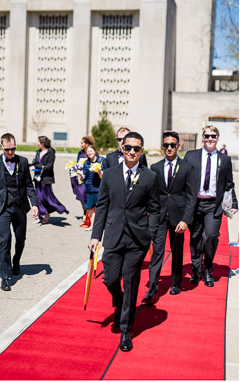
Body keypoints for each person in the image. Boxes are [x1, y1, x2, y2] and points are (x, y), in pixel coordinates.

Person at [89, 131, 160, 352]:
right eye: (128, 148)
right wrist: (95, 236)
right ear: (122, 148)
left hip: (137, 240)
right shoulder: (109, 174)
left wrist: (150, 233)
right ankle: (119, 302)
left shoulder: (150, 177)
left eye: (136, 149)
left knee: (131, 283)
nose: (131, 152)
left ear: (141, 151)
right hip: (113, 235)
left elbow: (155, 209)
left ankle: (126, 329)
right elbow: (102, 207)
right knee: (110, 280)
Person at [143, 132, 196, 304]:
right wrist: (150, 217)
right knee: (157, 252)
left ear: (178, 146)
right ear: (163, 146)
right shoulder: (155, 168)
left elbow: (191, 196)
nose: (170, 148)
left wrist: (185, 219)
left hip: (178, 219)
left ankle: (176, 283)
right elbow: (152, 195)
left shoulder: (187, 168)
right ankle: (152, 289)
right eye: (166, 145)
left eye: (173, 145)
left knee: (177, 252)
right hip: (159, 218)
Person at [0, 133, 39, 291]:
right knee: (5, 240)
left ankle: (16, 261)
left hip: (20, 206)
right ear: (1, 147)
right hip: (2, 208)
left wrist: (34, 204)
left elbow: (29, 185)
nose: (10, 152)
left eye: (13, 149)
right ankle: (5, 277)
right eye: (7, 149)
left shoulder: (23, 161)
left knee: (20, 239)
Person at [185, 126, 238, 287]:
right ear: (202, 137)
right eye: (207, 135)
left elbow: (229, 184)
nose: (210, 139)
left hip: (213, 205)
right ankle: (195, 270)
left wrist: (233, 203)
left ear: (218, 138)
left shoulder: (225, 160)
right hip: (194, 204)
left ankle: (208, 267)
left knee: (211, 236)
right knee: (195, 238)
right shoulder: (191, 156)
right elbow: (184, 180)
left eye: (213, 136)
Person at [32, 136, 69, 224]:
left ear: (42, 143)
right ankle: (41, 216)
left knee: (46, 198)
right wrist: (28, 165)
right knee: (38, 197)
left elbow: (49, 166)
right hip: (38, 179)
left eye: (38, 142)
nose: (37, 143)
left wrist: (36, 167)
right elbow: (34, 163)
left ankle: (56, 209)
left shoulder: (51, 152)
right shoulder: (38, 152)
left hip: (46, 179)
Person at [79, 145, 106, 230]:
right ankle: (92, 225)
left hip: (100, 188)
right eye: (88, 152)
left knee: (100, 208)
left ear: (95, 150)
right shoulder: (86, 163)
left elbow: (108, 172)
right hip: (89, 188)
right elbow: (85, 175)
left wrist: (101, 173)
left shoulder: (102, 160)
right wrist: (80, 176)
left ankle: (100, 226)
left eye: (91, 151)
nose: (90, 153)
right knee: (90, 207)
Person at [72, 136, 93, 214]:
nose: (80, 144)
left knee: (86, 195)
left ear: (86, 144)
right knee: (81, 195)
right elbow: (77, 163)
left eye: (82, 143)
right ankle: (84, 212)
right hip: (80, 177)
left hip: (88, 178)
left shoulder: (91, 151)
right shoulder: (80, 153)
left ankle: (87, 214)